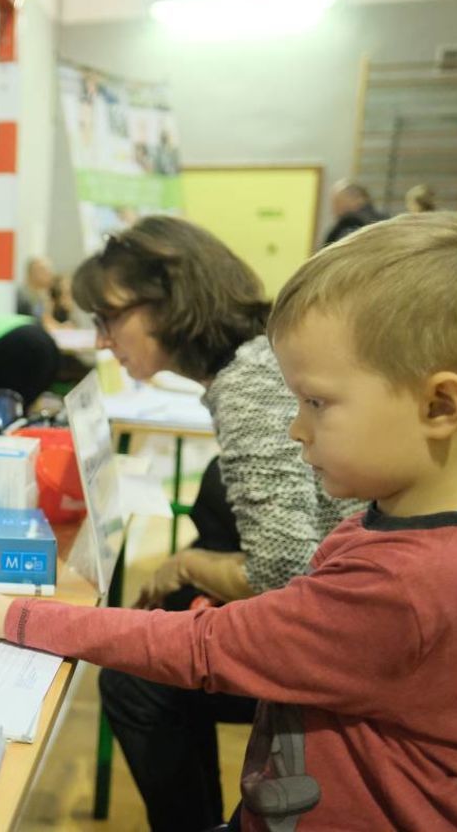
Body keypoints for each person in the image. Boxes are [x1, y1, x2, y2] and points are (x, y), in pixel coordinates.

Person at [0, 212, 457, 831]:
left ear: (441, 405)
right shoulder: (415, 534)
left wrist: (10, 617)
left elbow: (211, 644)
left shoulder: (407, 584)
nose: (296, 427)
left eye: (316, 403)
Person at [64, 216, 362, 830]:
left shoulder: (250, 379)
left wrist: (186, 561)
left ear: (168, 300)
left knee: (136, 681)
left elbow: (283, 573)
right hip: (350, 604)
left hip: (345, 636)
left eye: (110, 318)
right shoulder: (258, 358)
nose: (100, 339)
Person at [322, 179, 386, 246]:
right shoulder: (384, 221)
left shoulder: (348, 226)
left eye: (337, 203)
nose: (334, 209)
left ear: (357, 199)